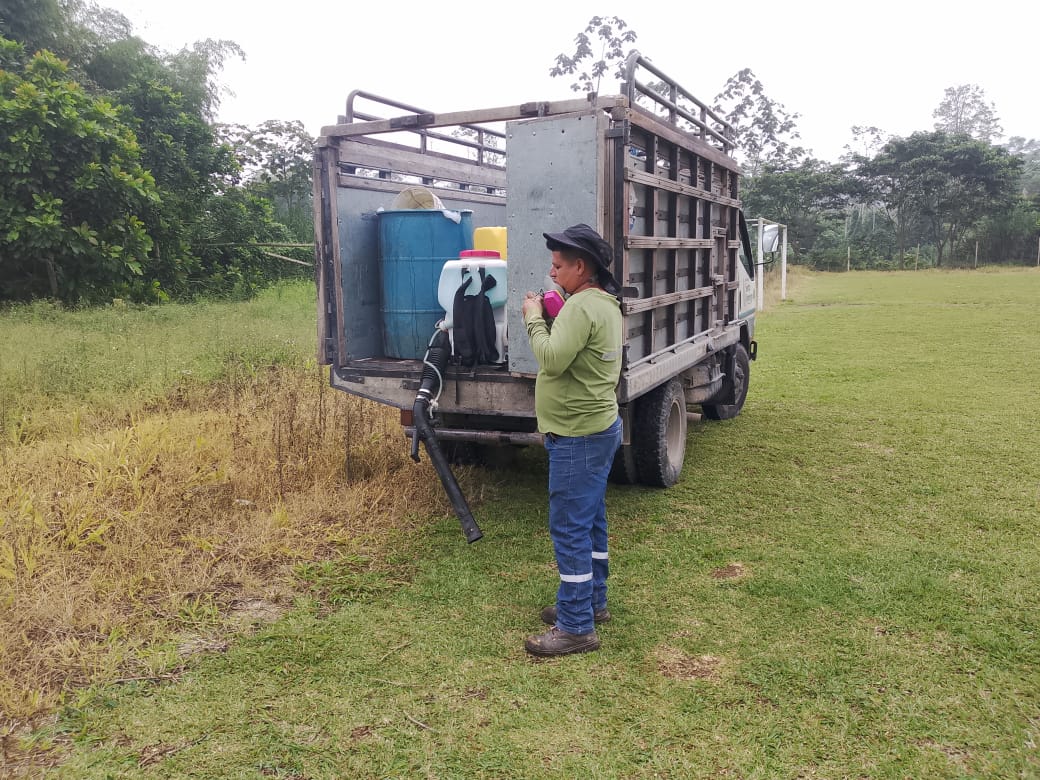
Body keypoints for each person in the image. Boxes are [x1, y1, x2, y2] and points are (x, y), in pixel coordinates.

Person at [521, 223, 624, 657]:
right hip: (599, 428)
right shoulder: (603, 303)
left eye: (558, 265)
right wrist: (556, 312)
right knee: (590, 521)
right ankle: (591, 602)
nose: (552, 272)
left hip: (577, 435)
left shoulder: (580, 309)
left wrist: (533, 317)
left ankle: (576, 626)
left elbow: (551, 358)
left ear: (581, 267)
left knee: (569, 528)